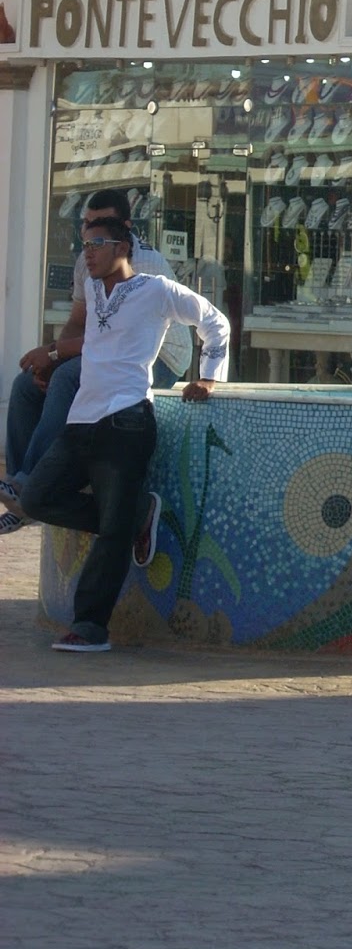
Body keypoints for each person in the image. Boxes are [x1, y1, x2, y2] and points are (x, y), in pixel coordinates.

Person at [18, 215, 230, 652]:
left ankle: (90, 627)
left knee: (113, 531)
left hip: (126, 420)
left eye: (96, 244)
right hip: (82, 420)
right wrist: (53, 357)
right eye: (84, 246)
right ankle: (134, 517)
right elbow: (97, 343)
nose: (88, 254)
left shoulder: (156, 290)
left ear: (123, 247)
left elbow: (215, 321)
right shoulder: (95, 292)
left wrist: (209, 377)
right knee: (36, 497)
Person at [0, 190, 191, 535]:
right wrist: (50, 361)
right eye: (87, 224)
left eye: (101, 226)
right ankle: (20, 488)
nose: (91, 233)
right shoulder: (88, 259)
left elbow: (116, 338)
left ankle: (29, 485)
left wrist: (56, 354)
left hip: (160, 357)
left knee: (68, 377)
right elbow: (79, 322)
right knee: (27, 384)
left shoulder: (140, 264)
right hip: (111, 352)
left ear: (124, 230)